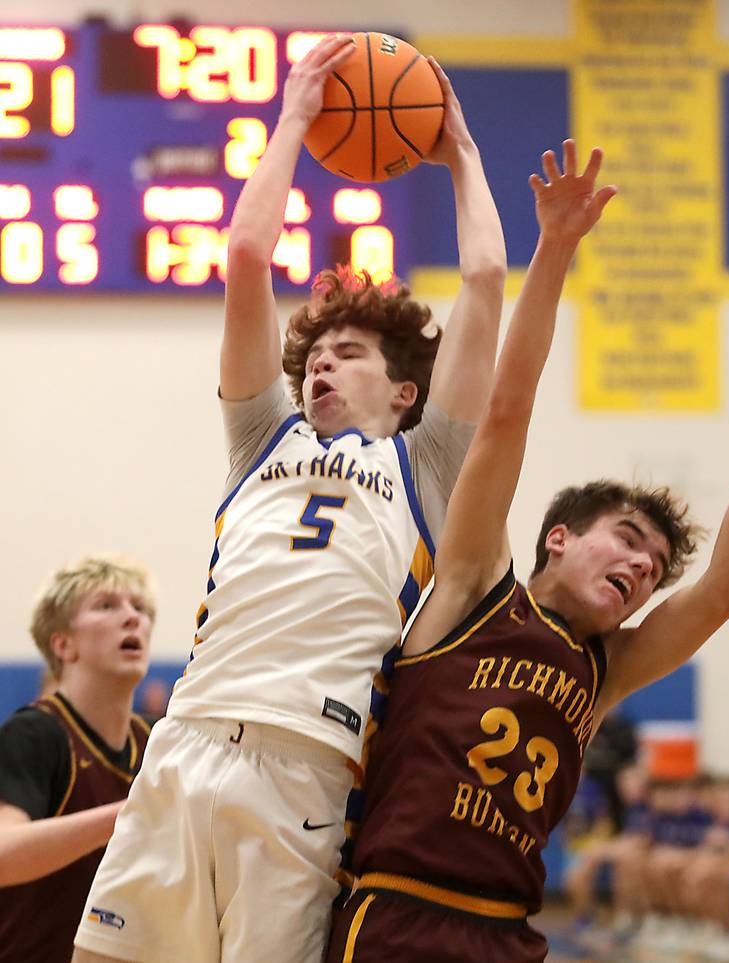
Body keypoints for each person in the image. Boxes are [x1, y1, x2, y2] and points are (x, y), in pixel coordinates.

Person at [74, 34, 505, 963]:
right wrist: (294, 119)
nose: (318, 365)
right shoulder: (260, 439)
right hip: (186, 736)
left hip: (308, 761)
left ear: (405, 393)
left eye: (346, 354)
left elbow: (483, 283)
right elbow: (244, 254)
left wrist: (463, 153)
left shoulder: (427, 465)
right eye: (312, 356)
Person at [325, 138, 729, 962]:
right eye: (630, 540)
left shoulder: (602, 669)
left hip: (509, 930)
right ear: (559, 537)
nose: (643, 568)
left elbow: (725, 592)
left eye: (652, 571)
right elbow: (504, 409)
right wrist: (557, 248)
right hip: (397, 909)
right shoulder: (472, 585)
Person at [0, 556, 155, 963]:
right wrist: (127, 814)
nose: (132, 619)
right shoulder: (36, 733)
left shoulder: (157, 742)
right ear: (63, 643)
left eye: (139, 608)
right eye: (107, 606)